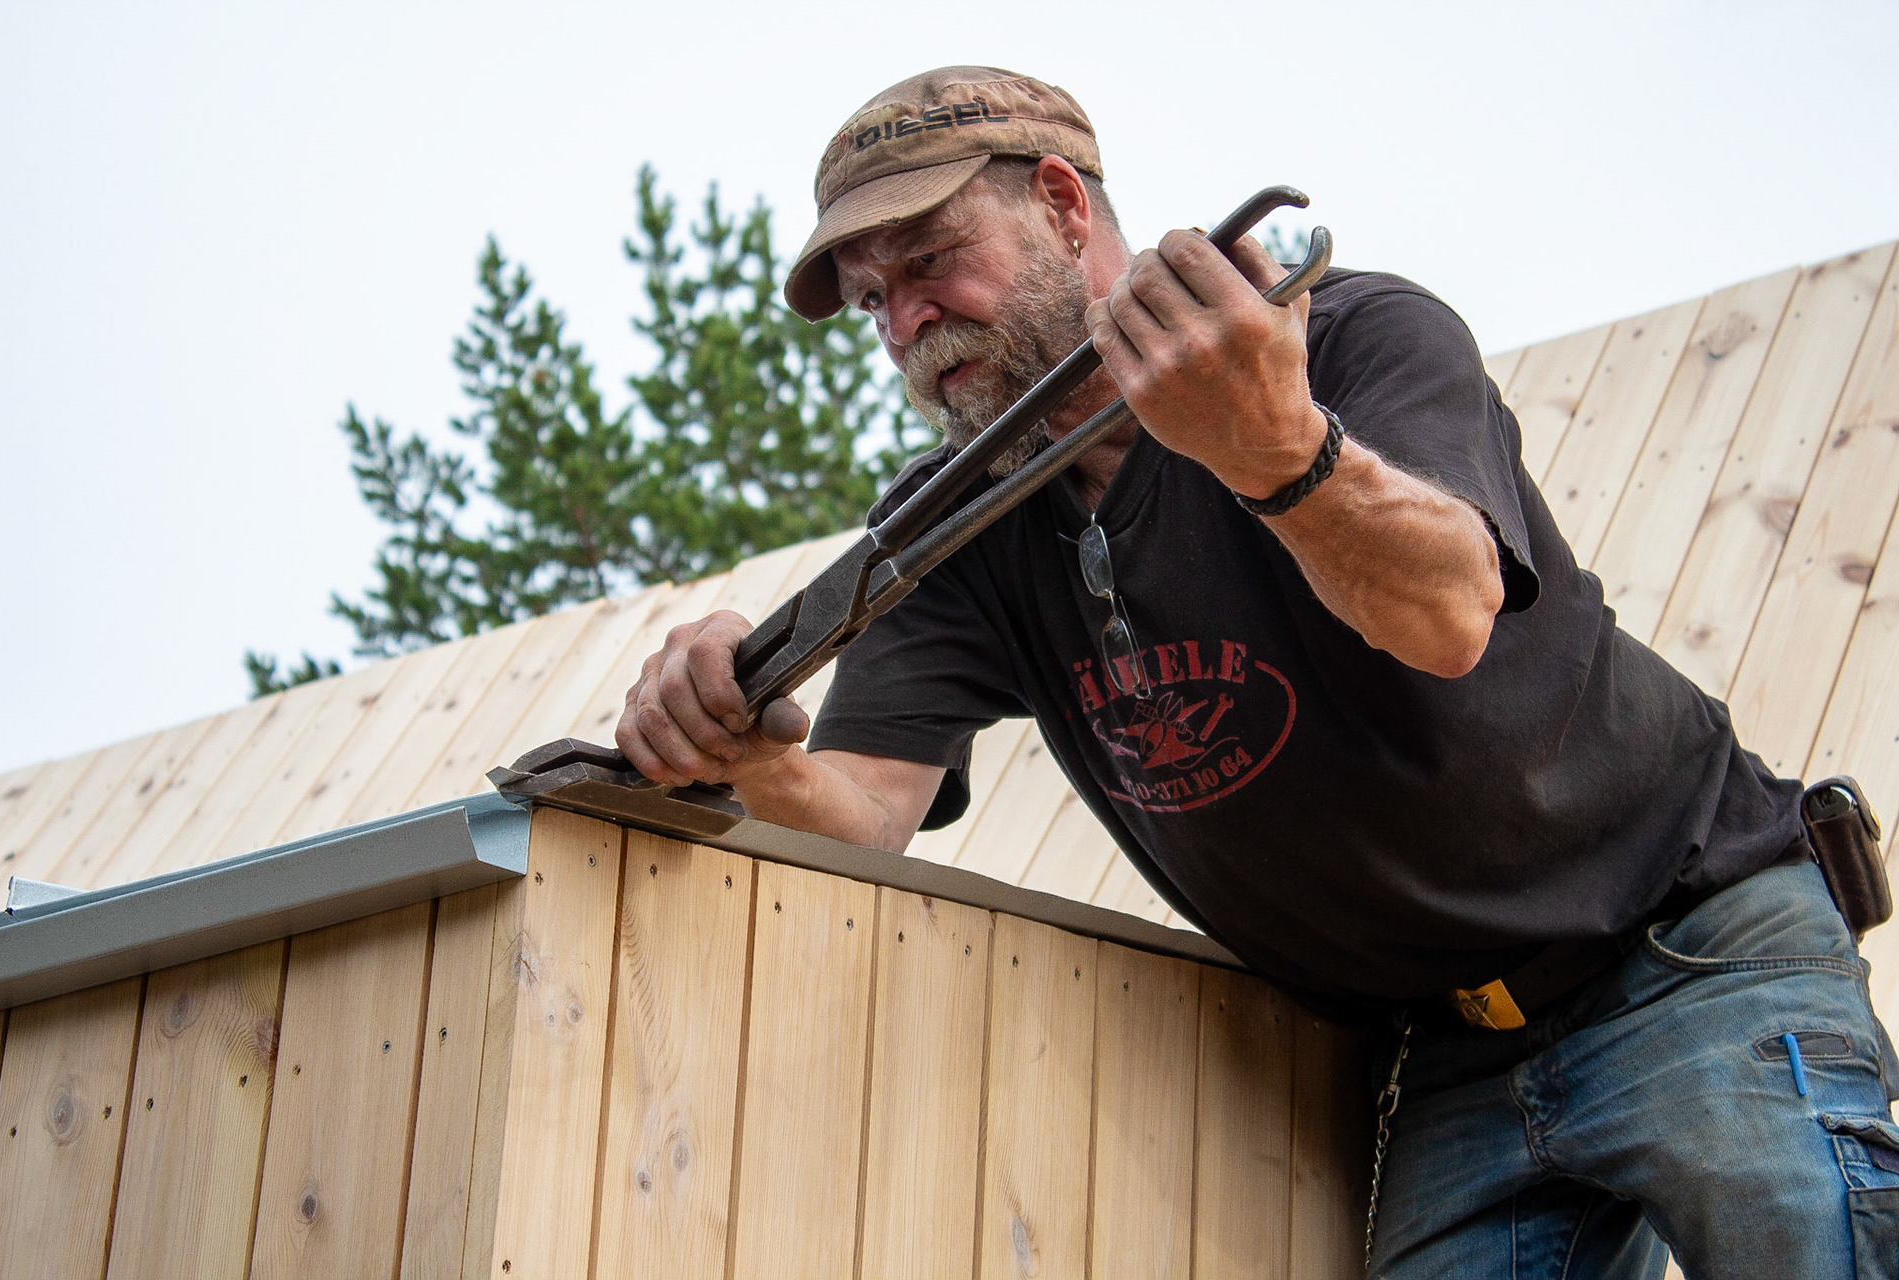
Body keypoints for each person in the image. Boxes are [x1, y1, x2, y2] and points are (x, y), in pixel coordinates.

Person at [614, 66, 1899, 1277]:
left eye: (929, 261)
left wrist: (1275, 450)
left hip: (1689, 942)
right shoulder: (959, 522)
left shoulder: (1344, 339)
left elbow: (1448, 611)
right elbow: (863, 812)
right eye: (870, 300)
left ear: (1063, 204)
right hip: (1443, 1050)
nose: (902, 321)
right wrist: (756, 756)